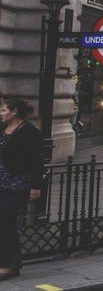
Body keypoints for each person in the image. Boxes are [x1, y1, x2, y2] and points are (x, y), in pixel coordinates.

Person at [0, 97, 44, 280]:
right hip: (2, 182)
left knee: (2, 221)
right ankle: (12, 263)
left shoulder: (28, 132)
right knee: (7, 223)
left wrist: (35, 185)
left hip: (18, 183)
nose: (1, 113)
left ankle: (9, 264)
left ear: (15, 111)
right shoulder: (3, 129)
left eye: (4, 110)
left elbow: (36, 160)